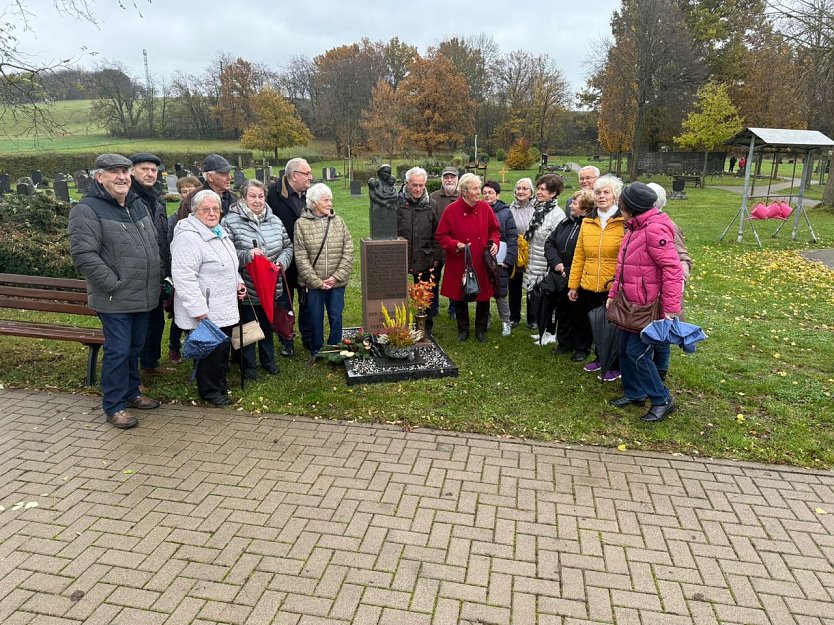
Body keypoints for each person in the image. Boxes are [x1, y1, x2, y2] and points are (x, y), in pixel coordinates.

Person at [68, 154, 161, 429]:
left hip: (143, 295)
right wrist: (112, 283)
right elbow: (84, 255)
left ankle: (132, 392)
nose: (121, 177)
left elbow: (152, 245)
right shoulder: (88, 209)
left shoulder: (137, 204)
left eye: (124, 171)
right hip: (115, 297)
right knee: (119, 351)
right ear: (99, 177)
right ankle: (114, 405)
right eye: (114, 172)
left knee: (135, 348)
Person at [607, 182, 684, 423]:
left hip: (648, 305)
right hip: (629, 302)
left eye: (622, 203)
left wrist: (671, 309)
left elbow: (672, 269)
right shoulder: (633, 228)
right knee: (624, 350)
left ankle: (662, 399)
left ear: (631, 206)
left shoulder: (654, 230)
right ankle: (634, 392)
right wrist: (613, 295)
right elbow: (622, 268)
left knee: (637, 353)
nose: (619, 206)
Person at [171, 190, 246, 405]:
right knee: (209, 352)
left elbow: (230, 265)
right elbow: (184, 277)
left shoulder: (219, 232)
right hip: (206, 308)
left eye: (216, 209)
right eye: (206, 209)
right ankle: (210, 391)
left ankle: (219, 384)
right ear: (195, 211)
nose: (212, 213)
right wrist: (198, 310)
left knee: (221, 348)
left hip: (224, 304)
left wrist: (239, 283)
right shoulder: (188, 238)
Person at [222, 179, 293, 380]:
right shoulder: (230, 221)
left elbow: (288, 246)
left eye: (261, 196)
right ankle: (249, 366)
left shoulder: (274, 220)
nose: (257, 200)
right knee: (248, 327)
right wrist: (247, 255)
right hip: (248, 286)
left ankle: (268, 361)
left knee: (267, 324)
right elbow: (226, 254)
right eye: (252, 196)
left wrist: (281, 263)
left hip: (271, 285)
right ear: (243, 198)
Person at [567, 174, 626, 381]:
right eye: (598, 192)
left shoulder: (623, 222)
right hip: (589, 282)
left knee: (614, 326)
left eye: (606, 192)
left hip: (614, 284)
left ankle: (615, 364)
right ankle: (600, 358)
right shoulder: (587, 221)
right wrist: (573, 285)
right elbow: (579, 255)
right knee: (595, 324)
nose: (601, 196)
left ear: (615, 196)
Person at [435, 173, 500, 342]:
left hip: (481, 259)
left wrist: (494, 242)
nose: (479, 192)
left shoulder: (485, 208)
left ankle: (480, 329)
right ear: (464, 191)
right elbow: (441, 235)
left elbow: (495, 229)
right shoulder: (451, 210)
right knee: (460, 295)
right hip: (460, 260)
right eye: (475, 189)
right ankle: (463, 329)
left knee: (483, 296)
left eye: (479, 188)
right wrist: (455, 244)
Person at [294, 183, 354, 358]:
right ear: (313, 203)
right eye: (326, 200)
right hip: (314, 284)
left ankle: (335, 347)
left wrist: (336, 277)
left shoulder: (339, 222)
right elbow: (301, 257)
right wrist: (317, 282)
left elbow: (348, 250)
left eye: (330, 200)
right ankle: (317, 349)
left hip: (336, 282)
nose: (330, 203)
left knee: (336, 315)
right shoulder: (301, 225)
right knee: (315, 317)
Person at [128, 152, 173, 379]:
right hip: (138, 272)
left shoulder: (157, 198)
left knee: (156, 321)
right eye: (144, 169)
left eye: (153, 170)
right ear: (132, 171)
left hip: (157, 270)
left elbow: (162, 236)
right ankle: (133, 372)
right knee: (139, 325)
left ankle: (150, 363)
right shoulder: (128, 197)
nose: (149, 174)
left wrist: (167, 270)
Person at [266, 157, 314, 357]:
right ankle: (287, 340)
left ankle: (308, 337)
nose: (311, 177)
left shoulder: (310, 194)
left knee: (306, 301)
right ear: (294, 175)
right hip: (282, 257)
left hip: (305, 258)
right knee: (284, 301)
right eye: (307, 173)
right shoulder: (273, 194)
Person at [647, 182, 693, 381]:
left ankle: (660, 372)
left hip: (662, 291)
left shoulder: (668, 227)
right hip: (644, 290)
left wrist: (675, 283)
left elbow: (682, 258)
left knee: (661, 334)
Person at [545, 189, 594, 360]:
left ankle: (581, 347)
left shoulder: (590, 226)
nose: (571, 205)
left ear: (586, 207)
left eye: (575, 202)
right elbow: (550, 242)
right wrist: (557, 263)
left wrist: (569, 268)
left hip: (579, 276)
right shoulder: (565, 222)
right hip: (560, 275)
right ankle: (564, 342)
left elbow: (587, 253)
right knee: (563, 310)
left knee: (580, 313)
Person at [397, 167, 443, 337]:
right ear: (407, 184)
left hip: (425, 256)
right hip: (401, 256)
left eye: (421, 185)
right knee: (396, 292)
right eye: (414, 185)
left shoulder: (432, 204)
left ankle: (424, 327)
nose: (417, 189)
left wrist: (436, 256)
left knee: (424, 294)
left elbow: (437, 232)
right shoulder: (397, 203)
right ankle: (396, 325)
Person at [524, 174, 566, 341]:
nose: (539, 192)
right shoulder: (539, 209)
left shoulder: (557, 214)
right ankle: (543, 330)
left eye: (543, 189)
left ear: (553, 193)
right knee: (538, 297)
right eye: (538, 188)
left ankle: (551, 332)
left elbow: (555, 242)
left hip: (546, 263)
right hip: (534, 260)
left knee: (549, 298)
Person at [166, 176, 201, 364]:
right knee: (178, 313)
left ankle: (194, 346)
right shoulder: (175, 218)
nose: (187, 194)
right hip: (180, 271)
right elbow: (171, 244)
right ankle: (174, 347)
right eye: (184, 191)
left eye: (191, 191)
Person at [481, 181, 518, 336]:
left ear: (497, 195)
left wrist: (509, 259)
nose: (487, 195)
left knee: (500, 292)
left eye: (491, 192)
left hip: (500, 258)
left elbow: (512, 236)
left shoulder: (505, 212)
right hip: (482, 258)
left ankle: (505, 321)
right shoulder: (479, 210)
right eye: (485, 192)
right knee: (484, 291)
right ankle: (485, 319)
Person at [430, 166, 460, 320]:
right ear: (442, 179)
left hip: (455, 247)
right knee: (433, 279)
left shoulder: (462, 196)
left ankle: (454, 308)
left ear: (457, 179)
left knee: (455, 279)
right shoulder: (433, 197)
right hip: (436, 246)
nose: (449, 180)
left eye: (452, 177)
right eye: (446, 177)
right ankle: (432, 307)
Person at [508, 177, 535, 328]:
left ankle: (532, 318)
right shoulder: (511, 208)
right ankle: (514, 316)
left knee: (532, 284)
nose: (521, 191)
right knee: (515, 284)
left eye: (525, 189)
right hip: (517, 252)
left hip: (533, 252)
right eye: (518, 188)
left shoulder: (537, 208)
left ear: (531, 192)